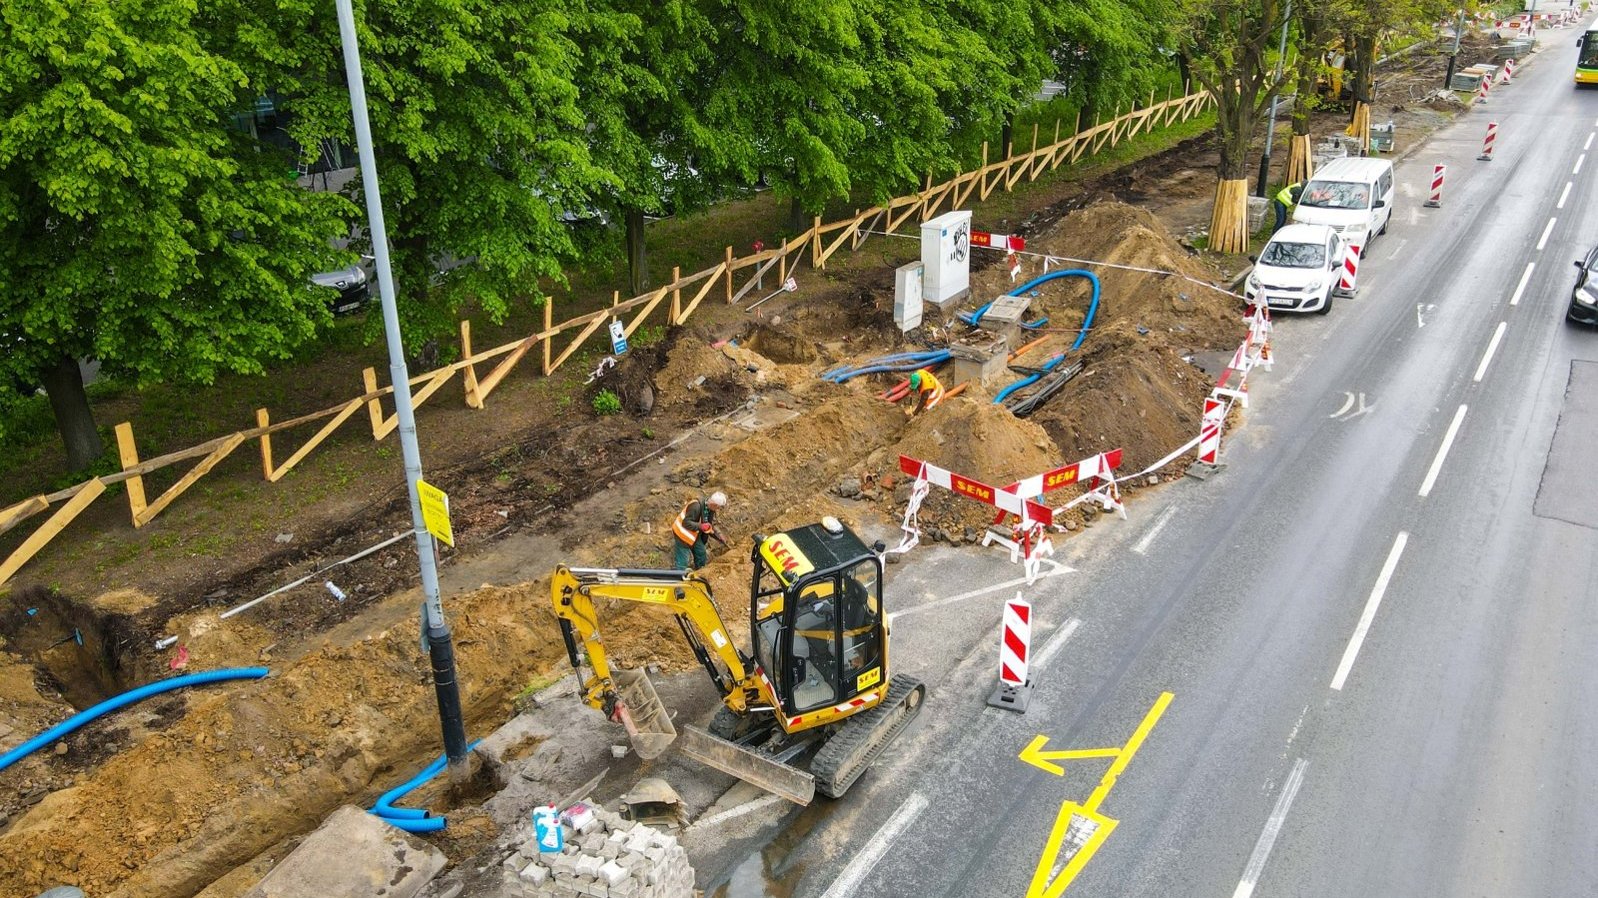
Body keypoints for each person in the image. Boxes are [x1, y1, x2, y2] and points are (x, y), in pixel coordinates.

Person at [671, 491, 727, 570]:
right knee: (683, 561)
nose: (718, 509)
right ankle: (679, 577)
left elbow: (709, 525)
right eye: (718, 507)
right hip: (681, 534)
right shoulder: (696, 506)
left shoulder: (709, 509)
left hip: (693, 534)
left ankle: (699, 571)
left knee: (701, 553)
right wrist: (701, 526)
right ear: (715, 505)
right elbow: (686, 523)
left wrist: (719, 536)